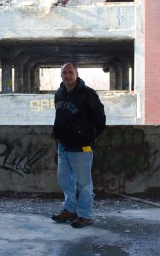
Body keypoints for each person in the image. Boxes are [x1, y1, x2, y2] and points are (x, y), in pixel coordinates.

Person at [51, 62, 106, 228]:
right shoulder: (59, 93)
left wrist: (87, 136)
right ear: (61, 75)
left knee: (84, 183)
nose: (67, 75)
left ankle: (85, 215)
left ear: (76, 73)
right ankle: (69, 210)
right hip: (63, 145)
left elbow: (100, 119)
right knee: (65, 180)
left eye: (70, 72)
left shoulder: (87, 94)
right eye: (64, 73)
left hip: (82, 146)